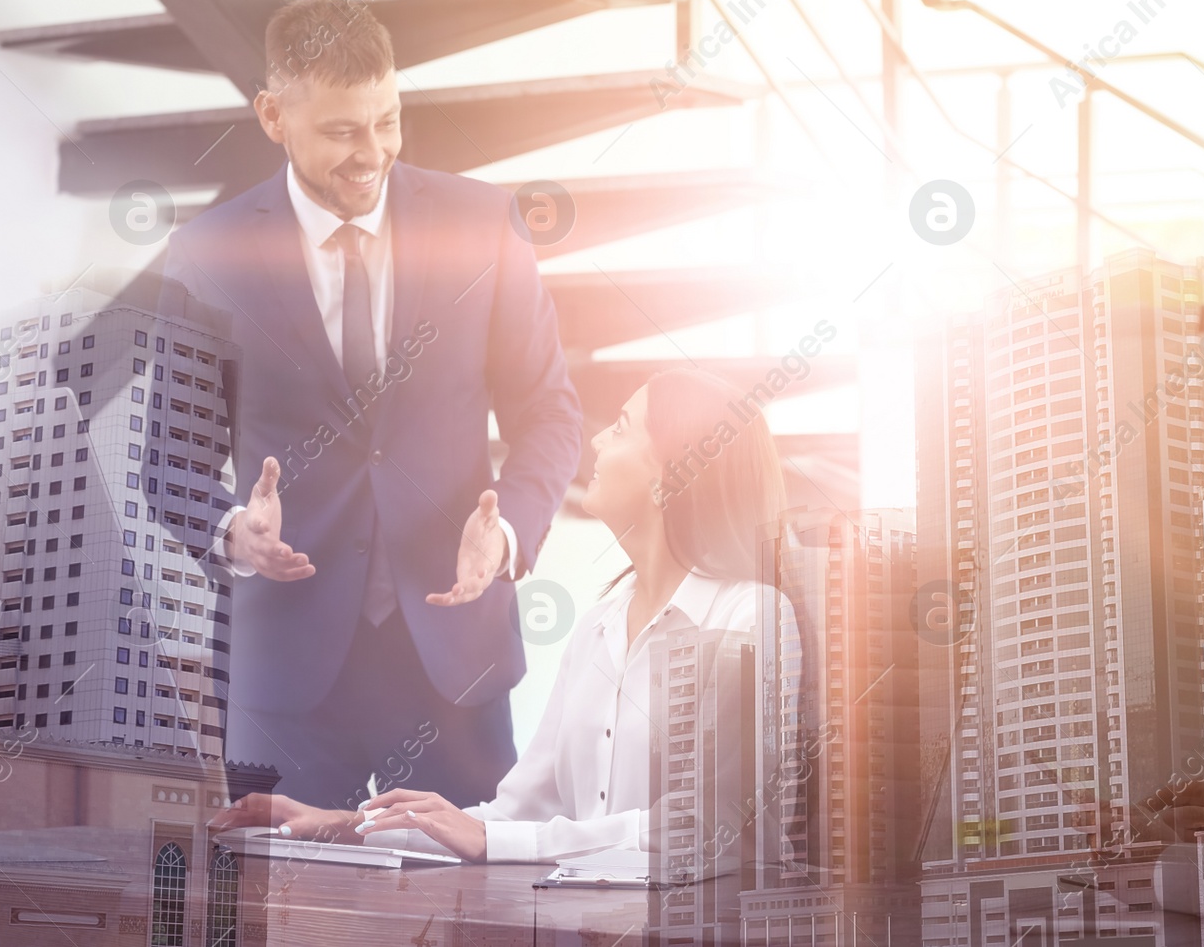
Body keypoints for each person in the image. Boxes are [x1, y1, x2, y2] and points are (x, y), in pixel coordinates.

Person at [164, 0, 582, 809]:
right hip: (283, 674)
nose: (375, 153)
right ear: (273, 115)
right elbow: (165, 460)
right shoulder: (206, 256)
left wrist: (508, 536)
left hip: (453, 666)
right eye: (343, 131)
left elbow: (549, 413)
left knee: (464, 920)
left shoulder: (483, 225)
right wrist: (233, 534)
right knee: (275, 920)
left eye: (388, 121)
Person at [211, 367, 788, 863]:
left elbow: (717, 831)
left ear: (672, 473)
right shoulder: (599, 628)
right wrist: (336, 824)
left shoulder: (751, 617)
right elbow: (513, 818)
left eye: (621, 427)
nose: (596, 442)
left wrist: (498, 840)